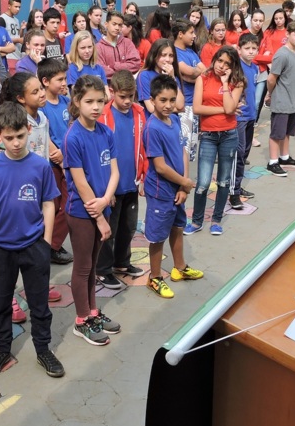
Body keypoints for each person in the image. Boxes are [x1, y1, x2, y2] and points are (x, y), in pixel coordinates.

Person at [0, 102, 64, 379]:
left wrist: (46, 241)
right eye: (9, 137)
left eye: (20, 136)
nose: (15, 143)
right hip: (0, 246)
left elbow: (49, 203)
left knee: (39, 303)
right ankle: (2, 348)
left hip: (33, 245)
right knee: (0, 302)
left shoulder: (40, 166)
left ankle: (43, 349)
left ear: (29, 130)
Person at [63, 75, 120, 346]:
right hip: (82, 212)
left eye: (100, 101)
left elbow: (114, 171)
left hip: (101, 205)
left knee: (94, 265)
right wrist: (99, 218)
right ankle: (81, 320)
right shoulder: (73, 137)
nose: (96, 107)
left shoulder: (106, 132)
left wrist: (107, 198)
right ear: (76, 102)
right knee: (83, 266)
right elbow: (80, 181)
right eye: (89, 101)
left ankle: (93, 312)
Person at [143, 74, 199, 299]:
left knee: (177, 227)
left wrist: (184, 186)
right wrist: (183, 182)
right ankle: (154, 278)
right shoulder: (152, 128)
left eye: (172, 100)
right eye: (162, 100)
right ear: (153, 100)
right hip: (160, 191)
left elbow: (183, 151)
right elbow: (160, 167)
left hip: (177, 189)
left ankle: (179, 267)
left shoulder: (174, 120)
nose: (168, 105)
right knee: (157, 236)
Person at [94, 70, 146, 290]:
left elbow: (144, 146)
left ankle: (122, 263)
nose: (127, 101)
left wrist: (143, 175)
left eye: (131, 96)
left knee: (129, 226)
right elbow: (99, 155)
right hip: (111, 187)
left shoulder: (140, 113)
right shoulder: (103, 116)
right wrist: (107, 190)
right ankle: (102, 269)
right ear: (112, 92)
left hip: (132, 182)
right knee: (109, 229)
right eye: (122, 96)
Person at [188, 46, 244, 236]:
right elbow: (197, 108)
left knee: (223, 181)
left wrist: (225, 83)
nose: (222, 66)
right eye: (220, 61)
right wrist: (224, 110)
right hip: (209, 136)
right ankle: (196, 221)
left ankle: (216, 220)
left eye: (227, 63)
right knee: (203, 182)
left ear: (233, 66)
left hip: (229, 134)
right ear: (214, 59)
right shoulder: (202, 78)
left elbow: (230, 107)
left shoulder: (237, 82)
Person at [37, 57, 75, 266]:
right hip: (53, 164)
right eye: (59, 79)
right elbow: (45, 135)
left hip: (67, 159)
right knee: (53, 204)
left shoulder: (66, 102)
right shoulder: (42, 107)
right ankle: (49, 244)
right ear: (45, 81)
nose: (63, 83)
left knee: (68, 204)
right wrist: (60, 159)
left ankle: (52, 243)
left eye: (64, 78)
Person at [264, 21, 295, 177]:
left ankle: (284, 157)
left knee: (287, 132)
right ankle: (273, 162)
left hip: (293, 101)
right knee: (276, 133)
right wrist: (270, 94)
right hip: (282, 101)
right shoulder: (282, 54)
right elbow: (271, 79)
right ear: (287, 34)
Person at [228, 33, 259, 209]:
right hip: (238, 117)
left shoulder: (255, 68)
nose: (251, 52)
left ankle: (237, 186)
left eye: (254, 48)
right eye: (247, 48)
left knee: (245, 154)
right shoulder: (236, 68)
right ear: (239, 49)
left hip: (250, 116)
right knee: (238, 155)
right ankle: (233, 193)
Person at [172, 19, 205, 168]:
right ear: (180, 34)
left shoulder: (191, 52)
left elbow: (204, 73)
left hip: (194, 105)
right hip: (182, 107)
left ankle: (185, 177)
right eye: (191, 33)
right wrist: (194, 74)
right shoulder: (174, 53)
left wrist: (194, 76)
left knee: (191, 147)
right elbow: (188, 72)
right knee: (182, 147)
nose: (194, 36)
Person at [137, 38, 184, 115]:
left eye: (171, 56)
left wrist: (172, 78)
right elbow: (151, 108)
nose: (167, 59)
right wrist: (176, 109)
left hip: (173, 122)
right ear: (155, 56)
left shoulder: (173, 74)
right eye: (163, 55)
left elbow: (180, 105)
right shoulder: (144, 75)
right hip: (155, 123)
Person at [96, 11, 141, 79]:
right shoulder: (98, 47)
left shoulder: (127, 43)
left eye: (120, 25)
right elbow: (100, 69)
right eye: (114, 24)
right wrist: (123, 71)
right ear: (106, 24)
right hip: (108, 87)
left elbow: (136, 64)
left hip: (127, 86)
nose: (117, 28)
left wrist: (116, 66)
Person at [0, 0, 25, 72]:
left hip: (17, 54)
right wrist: (18, 40)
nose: (18, 9)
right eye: (16, 6)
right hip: (8, 55)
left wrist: (22, 29)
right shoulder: (2, 19)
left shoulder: (16, 20)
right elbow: (2, 41)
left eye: (19, 7)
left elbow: (18, 36)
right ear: (9, 6)